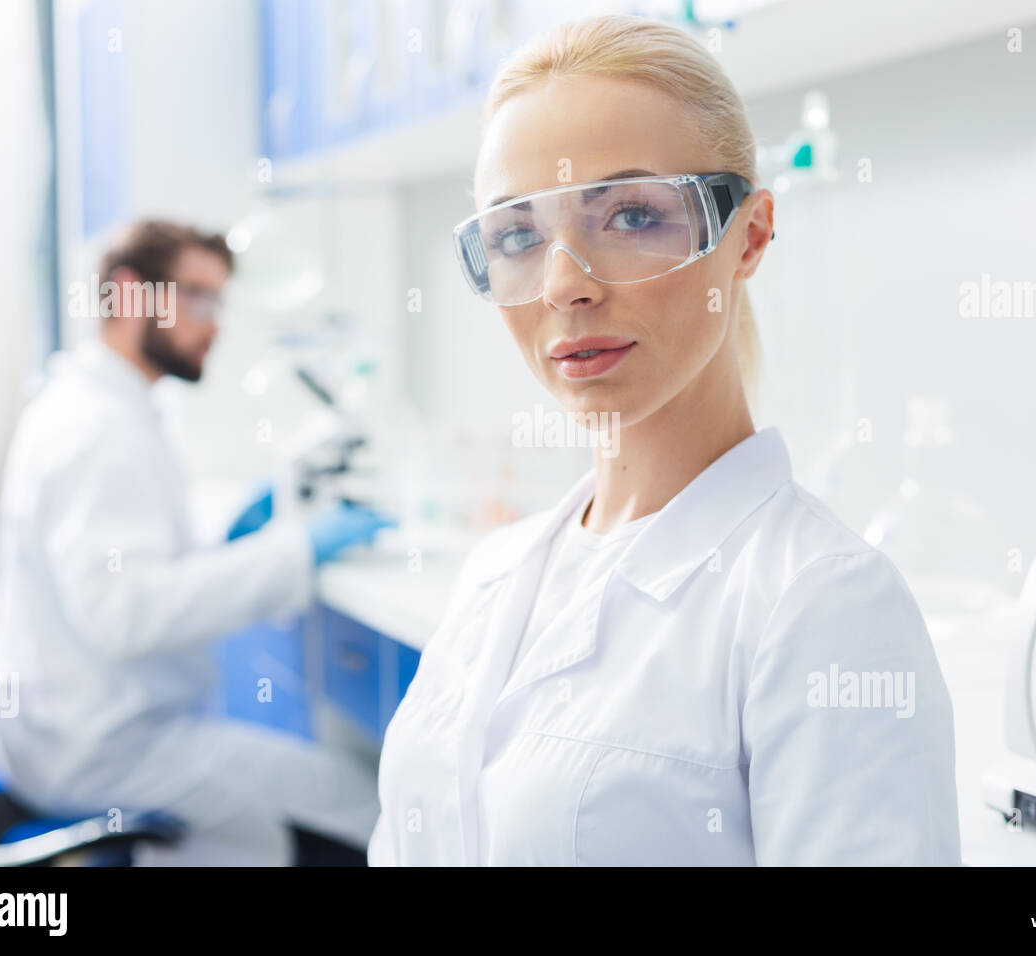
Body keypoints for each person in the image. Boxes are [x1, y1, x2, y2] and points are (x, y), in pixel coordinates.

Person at [369, 15, 962, 866]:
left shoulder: (823, 606)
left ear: (748, 236)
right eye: (517, 236)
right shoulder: (492, 574)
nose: (565, 285)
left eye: (633, 216)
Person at [0, 220, 394, 865]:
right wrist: (295, 552)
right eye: (197, 297)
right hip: (102, 749)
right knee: (366, 808)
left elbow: (121, 577)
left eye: (219, 300)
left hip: (62, 732)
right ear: (129, 293)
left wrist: (224, 548)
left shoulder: (107, 406)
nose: (216, 323)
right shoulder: (97, 428)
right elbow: (126, 615)